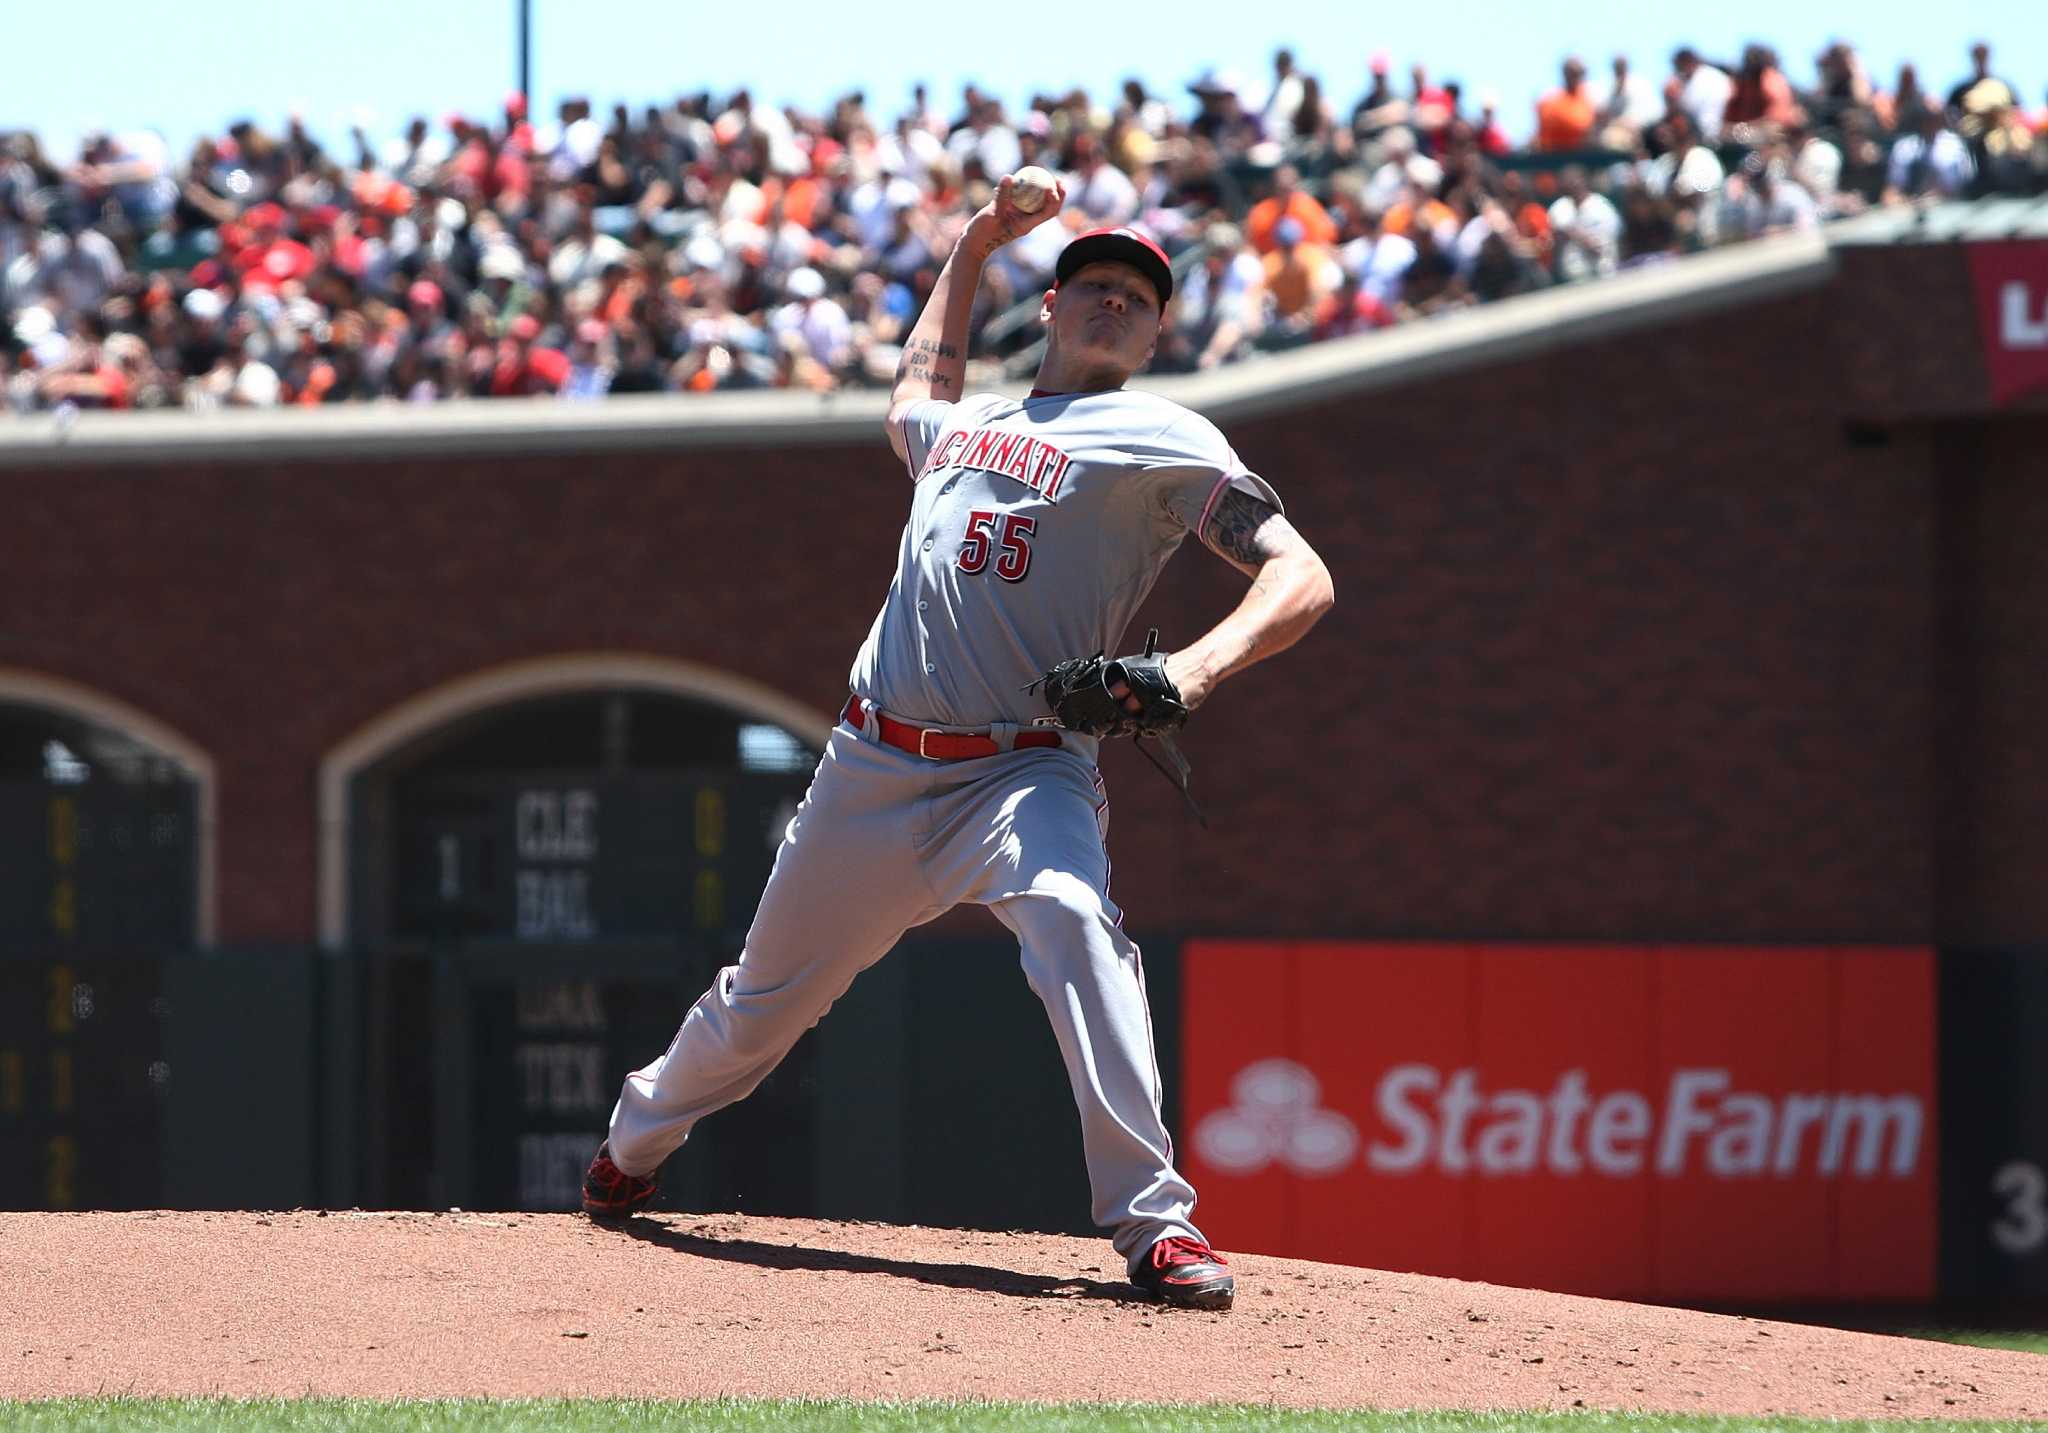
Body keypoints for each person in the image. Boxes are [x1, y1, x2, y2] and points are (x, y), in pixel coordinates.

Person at [580, 177, 1335, 1312]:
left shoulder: (1164, 436)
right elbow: (915, 382)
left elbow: (1302, 574)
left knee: (1079, 934)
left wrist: (1185, 672)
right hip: (870, 767)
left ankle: (1154, 1225)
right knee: (762, 1003)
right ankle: (631, 1148)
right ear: (1052, 306)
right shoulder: (966, 422)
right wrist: (978, 239)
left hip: (1021, 767)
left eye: (1137, 294)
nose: (1113, 302)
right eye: (1093, 284)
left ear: (1158, 328)